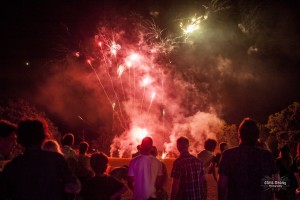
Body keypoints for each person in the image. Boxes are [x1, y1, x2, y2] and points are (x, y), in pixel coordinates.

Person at [0, 118, 81, 200]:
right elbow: (74, 186)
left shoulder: (12, 166)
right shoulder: (56, 159)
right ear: (43, 136)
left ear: (20, 139)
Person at [218, 117, 277, 200]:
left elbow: (222, 185)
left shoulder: (228, 155)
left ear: (239, 135)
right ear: (257, 136)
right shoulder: (267, 156)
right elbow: (276, 185)